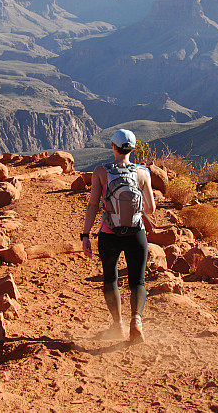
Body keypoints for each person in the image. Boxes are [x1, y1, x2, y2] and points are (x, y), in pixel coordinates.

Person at [80, 128, 156, 342]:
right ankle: (136, 321)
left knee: (110, 278)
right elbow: (150, 208)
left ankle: (117, 326)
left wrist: (85, 235)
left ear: (113, 147)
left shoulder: (101, 172)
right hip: (136, 234)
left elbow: (93, 205)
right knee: (137, 282)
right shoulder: (143, 173)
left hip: (108, 233)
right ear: (132, 148)